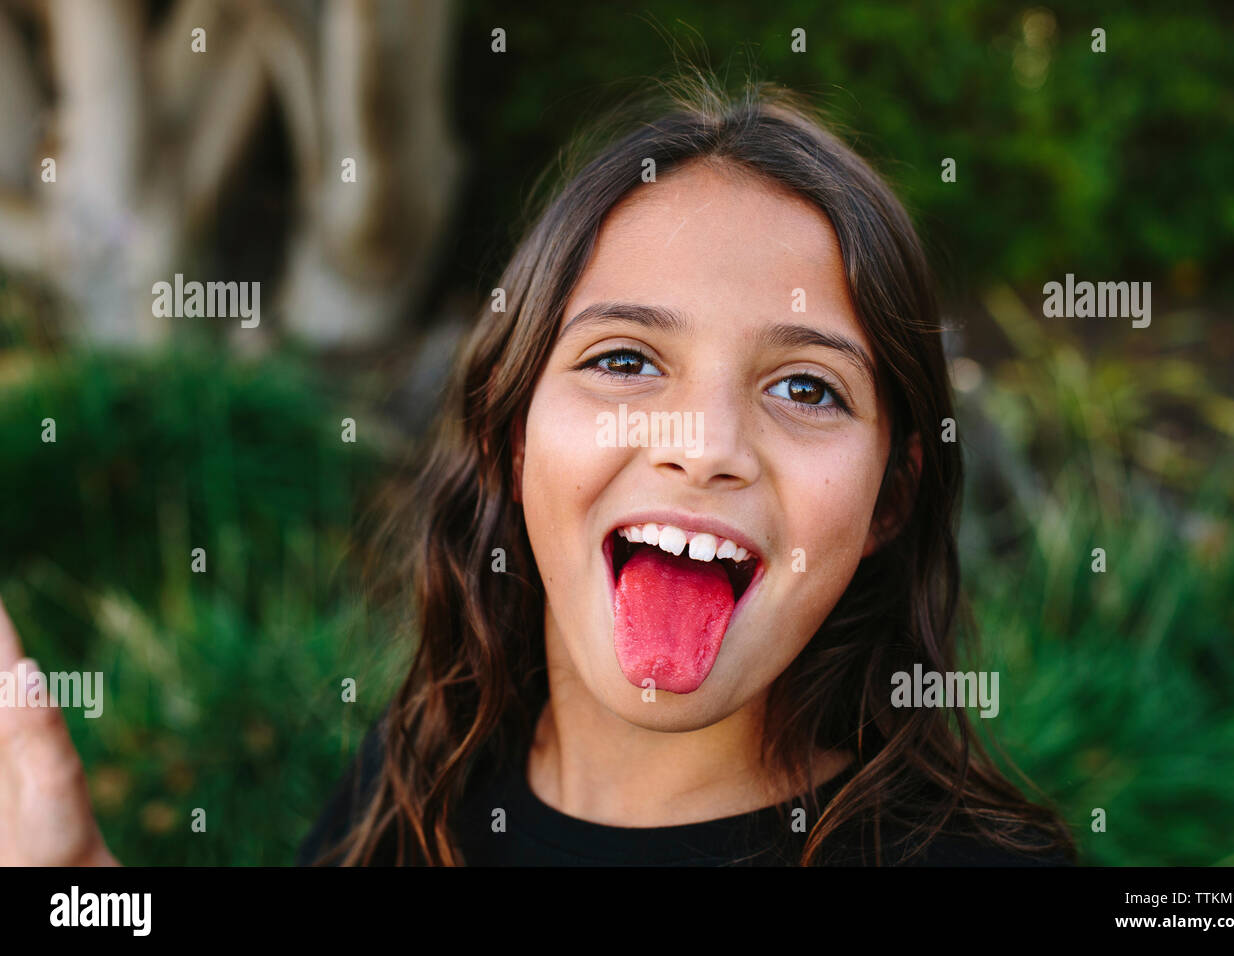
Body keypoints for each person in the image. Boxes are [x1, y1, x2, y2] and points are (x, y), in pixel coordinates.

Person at [0, 73, 1075, 867]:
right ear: (513, 436)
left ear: (889, 496)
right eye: (623, 359)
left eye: (806, 387)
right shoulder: (417, 778)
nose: (701, 446)